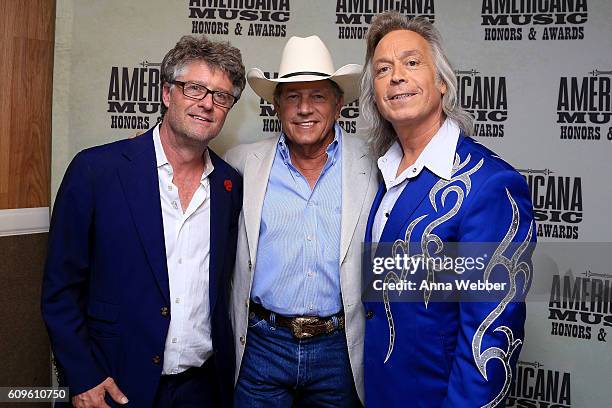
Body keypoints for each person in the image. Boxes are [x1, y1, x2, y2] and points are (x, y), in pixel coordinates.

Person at [41, 35, 245, 407]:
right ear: (168, 94)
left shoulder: (230, 185)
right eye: (195, 88)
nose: (207, 104)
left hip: (202, 388)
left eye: (221, 96)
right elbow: (60, 288)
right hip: (113, 384)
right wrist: (82, 376)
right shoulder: (96, 171)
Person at [359, 12, 536, 407]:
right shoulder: (381, 171)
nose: (396, 76)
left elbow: (489, 336)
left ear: (441, 82)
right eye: (383, 68)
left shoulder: (489, 184)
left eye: (411, 62)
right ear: (374, 92)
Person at [224, 35, 378, 407]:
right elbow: (186, 174)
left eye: (318, 96)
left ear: (339, 105)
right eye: (293, 96)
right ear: (277, 106)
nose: (304, 109)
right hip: (262, 346)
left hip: (338, 349)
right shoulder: (240, 163)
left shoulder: (376, 164)